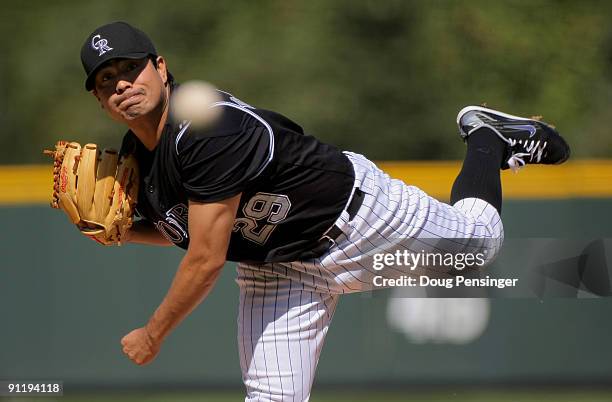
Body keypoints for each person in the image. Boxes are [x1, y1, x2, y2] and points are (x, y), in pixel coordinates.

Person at [80, 21, 570, 401]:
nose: (121, 83)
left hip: (360, 222)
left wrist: (153, 334)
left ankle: (486, 136)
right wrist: (126, 233)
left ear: (161, 67)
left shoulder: (205, 127)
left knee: (481, 243)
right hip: (278, 270)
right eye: (106, 79)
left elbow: (206, 259)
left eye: (130, 67)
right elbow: (186, 229)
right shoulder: (137, 160)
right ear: (100, 100)